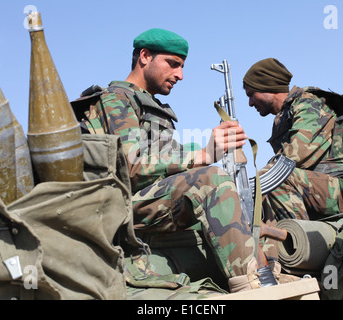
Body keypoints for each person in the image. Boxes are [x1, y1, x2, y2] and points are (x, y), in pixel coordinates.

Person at [80, 28, 266, 292]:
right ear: (144, 56)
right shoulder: (116, 100)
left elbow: (169, 163)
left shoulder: (149, 106)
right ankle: (251, 287)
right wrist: (201, 155)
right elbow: (131, 165)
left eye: (181, 66)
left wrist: (211, 151)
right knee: (211, 180)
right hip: (118, 207)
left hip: (147, 205)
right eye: (173, 64)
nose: (180, 75)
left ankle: (261, 272)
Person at [243, 58, 343, 223]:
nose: (250, 103)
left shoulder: (309, 103)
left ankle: (302, 242)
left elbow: (296, 155)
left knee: (276, 179)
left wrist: (248, 185)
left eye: (251, 94)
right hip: (321, 190)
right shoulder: (285, 115)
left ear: (267, 87)